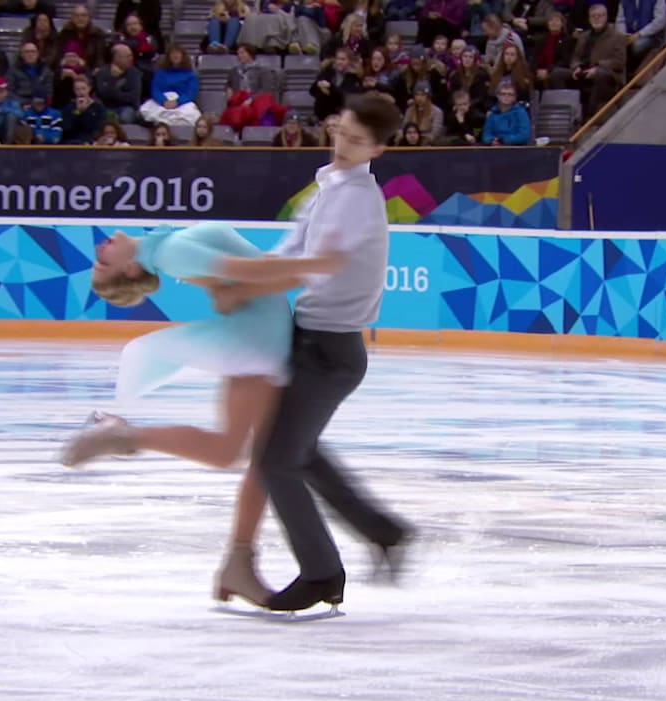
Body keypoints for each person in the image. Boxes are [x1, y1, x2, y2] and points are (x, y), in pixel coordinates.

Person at [59, 222, 343, 607]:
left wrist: (230, 290)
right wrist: (320, 265)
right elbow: (248, 273)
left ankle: (237, 563)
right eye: (102, 263)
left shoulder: (168, 247)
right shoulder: (170, 252)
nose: (100, 250)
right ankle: (124, 436)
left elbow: (236, 278)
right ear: (129, 270)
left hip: (261, 338)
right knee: (249, 456)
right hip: (257, 343)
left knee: (247, 457)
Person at [208, 93, 413, 613]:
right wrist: (245, 276)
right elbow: (291, 253)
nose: (343, 145)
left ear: (379, 149)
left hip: (331, 349)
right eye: (341, 131)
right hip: (311, 338)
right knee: (302, 453)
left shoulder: (357, 199)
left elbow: (317, 265)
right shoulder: (327, 186)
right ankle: (384, 531)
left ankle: (321, 572)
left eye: (357, 141)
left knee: (276, 460)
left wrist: (244, 284)